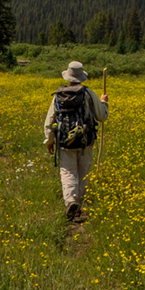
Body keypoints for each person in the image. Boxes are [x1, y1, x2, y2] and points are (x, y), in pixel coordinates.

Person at [43, 61, 109, 222]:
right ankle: (79, 203)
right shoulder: (88, 93)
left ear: (68, 77)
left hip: (65, 141)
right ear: (81, 77)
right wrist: (104, 102)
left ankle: (71, 201)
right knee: (83, 170)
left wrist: (49, 141)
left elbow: (49, 121)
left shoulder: (58, 95)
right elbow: (102, 117)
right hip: (86, 140)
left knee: (67, 171)